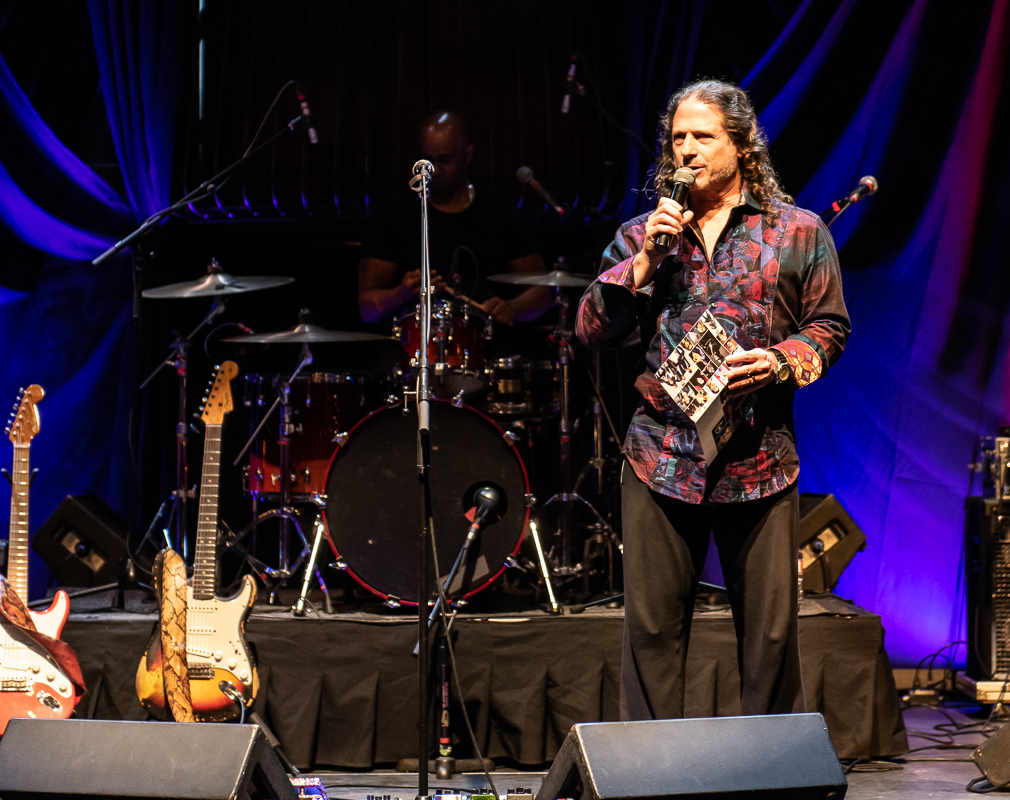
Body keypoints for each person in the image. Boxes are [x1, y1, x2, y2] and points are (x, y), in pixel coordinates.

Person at [575, 80, 850, 720]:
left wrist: (782, 361)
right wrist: (645, 261)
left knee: (771, 641)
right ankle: (649, 782)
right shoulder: (643, 233)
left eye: (704, 137)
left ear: (742, 145)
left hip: (759, 458)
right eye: (678, 139)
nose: (688, 152)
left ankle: (775, 780)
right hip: (659, 457)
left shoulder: (798, 232)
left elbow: (830, 327)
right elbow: (590, 328)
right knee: (651, 637)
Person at [358, 111, 551, 330]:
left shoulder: (500, 216)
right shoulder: (392, 218)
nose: (435, 170)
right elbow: (367, 309)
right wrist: (401, 294)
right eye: (428, 160)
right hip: (413, 350)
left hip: (486, 349)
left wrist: (511, 307)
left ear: (467, 155)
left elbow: (542, 292)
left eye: (445, 160)